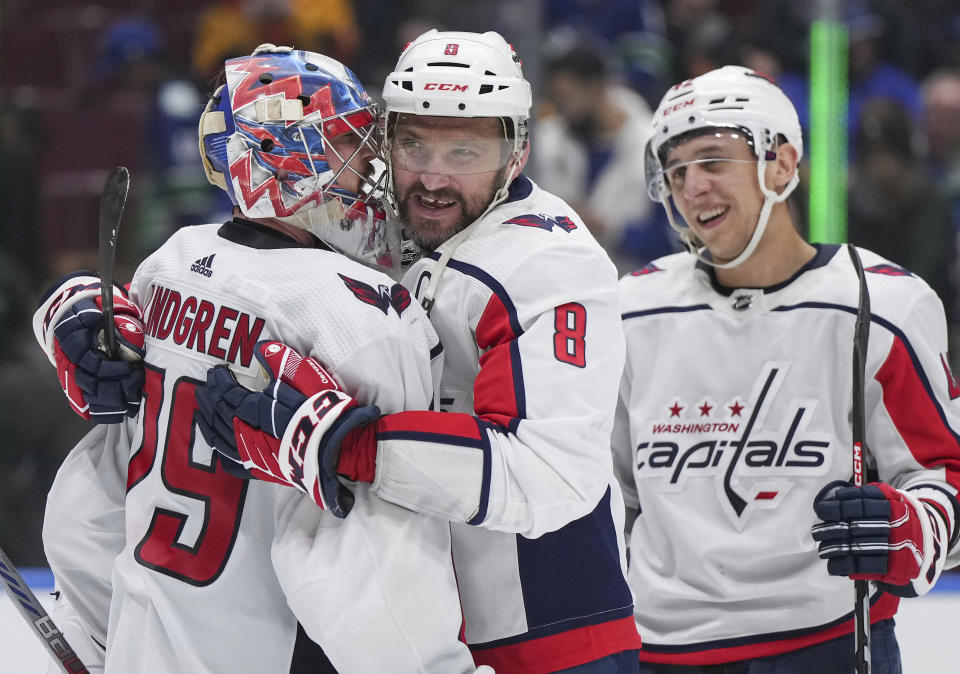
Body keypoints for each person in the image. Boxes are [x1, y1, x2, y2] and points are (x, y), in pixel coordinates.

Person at [198, 29, 643, 673]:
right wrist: (106, 317)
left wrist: (343, 442)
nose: (433, 177)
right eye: (413, 145)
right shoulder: (372, 223)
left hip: (544, 637)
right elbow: (248, 262)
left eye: (465, 149)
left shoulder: (548, 263)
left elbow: (549, 473)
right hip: (397, 635)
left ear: (515, 150)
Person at [34, 44, 478, 674]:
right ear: (287, 158)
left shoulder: (174, 261)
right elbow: (371, 556)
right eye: (347, 144)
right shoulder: (357, 314)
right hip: (271, 646)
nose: (371, 166)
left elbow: (92, 503)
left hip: (149, 631)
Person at [613, 65, 960, 672]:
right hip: (658, 651)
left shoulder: (881, 304)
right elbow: (606, 495)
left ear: (781, 164)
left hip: (825, 644)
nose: (691, 187)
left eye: (712, 160)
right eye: (676, 170)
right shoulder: (630, 311)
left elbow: (944, 473)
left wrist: (912, 528)